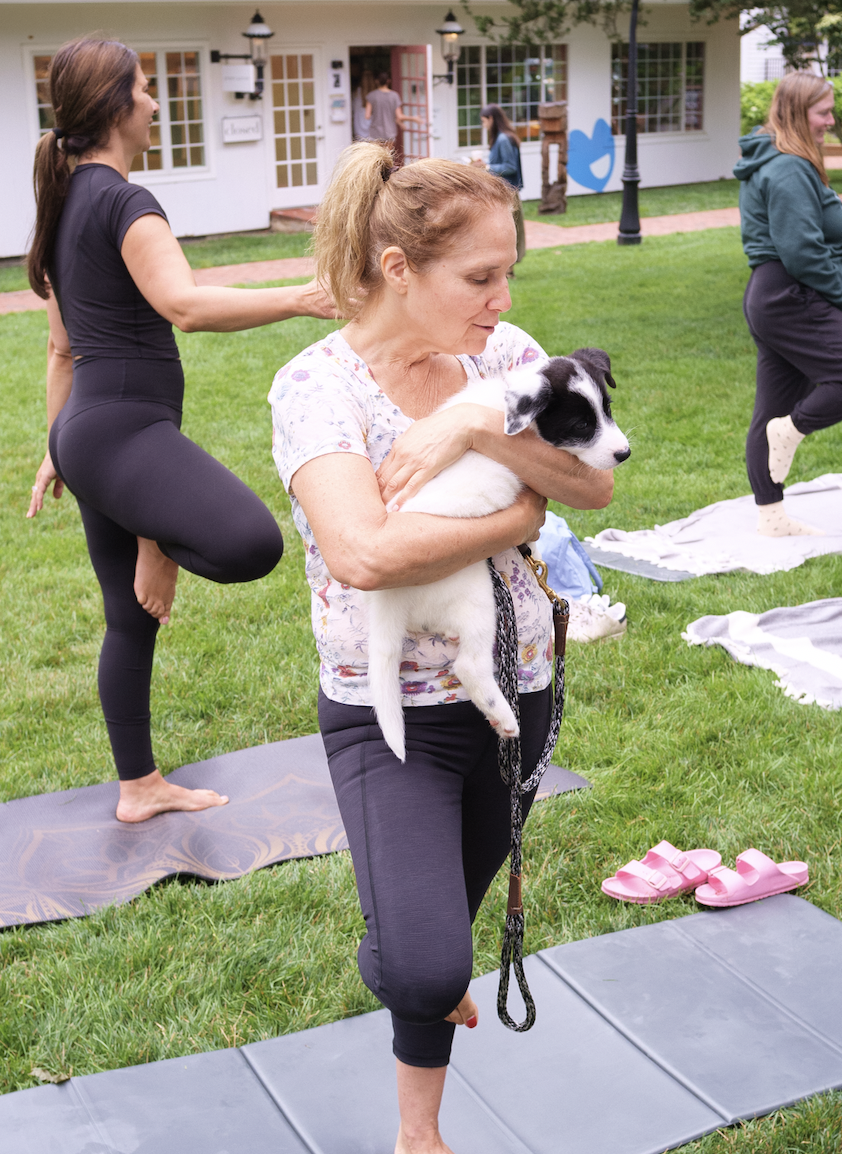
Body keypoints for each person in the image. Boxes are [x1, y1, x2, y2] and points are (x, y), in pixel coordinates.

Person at [269, 142, 613, 1154]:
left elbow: (590, 481)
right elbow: (363, 550)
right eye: (478, 276)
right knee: (423, 963)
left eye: (510, 272)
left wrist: (470, 428)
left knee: (436, 941)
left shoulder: (503, 359)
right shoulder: (317, 384)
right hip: (393, 720)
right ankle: (414, 985)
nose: (500, 297)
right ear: (396, 270)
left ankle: (416, 1132)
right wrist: (514, 513)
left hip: (518, 692)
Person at [26, 36, 336, 823]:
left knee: (127, 617)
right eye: (145, 89)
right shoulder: (127, 203)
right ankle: (152, 539)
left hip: (93, 434)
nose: (156, 103)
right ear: (115, 106)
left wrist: (56, 447)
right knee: (249, 542)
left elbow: (63, 347)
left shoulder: (63, 207)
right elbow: (185, 305)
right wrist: (303, 298)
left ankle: (139, 789)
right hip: (121, 433)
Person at [735, 71, 842, 536]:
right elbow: (803, 252)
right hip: (789, 293)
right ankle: (793, 428)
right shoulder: (788, 167)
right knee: (781, 416)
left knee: (771, 403)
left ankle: (772, 518)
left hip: (773, 295)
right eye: (823, 112)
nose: (830, 121)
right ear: (800, 112)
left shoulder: (782, 160)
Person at [472, 104, 526, 272]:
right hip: (505, 190)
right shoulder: (502, 137)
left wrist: (487, 167)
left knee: (508, 230)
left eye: (484, 121)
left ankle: (509, 269)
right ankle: (507, 269)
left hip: (508, 191)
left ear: (492, 119)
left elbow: (510, 166)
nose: (484, 125)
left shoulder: (503, 139)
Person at [365, 73, 424, 145]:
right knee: (388, 155)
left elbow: (367, 116)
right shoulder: (394, 95)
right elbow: (399, 116)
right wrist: (413, 118)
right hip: (390, 132)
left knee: (376, 155)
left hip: (375, 132)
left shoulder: (371, 95)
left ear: (376, 81)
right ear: (388, 81)